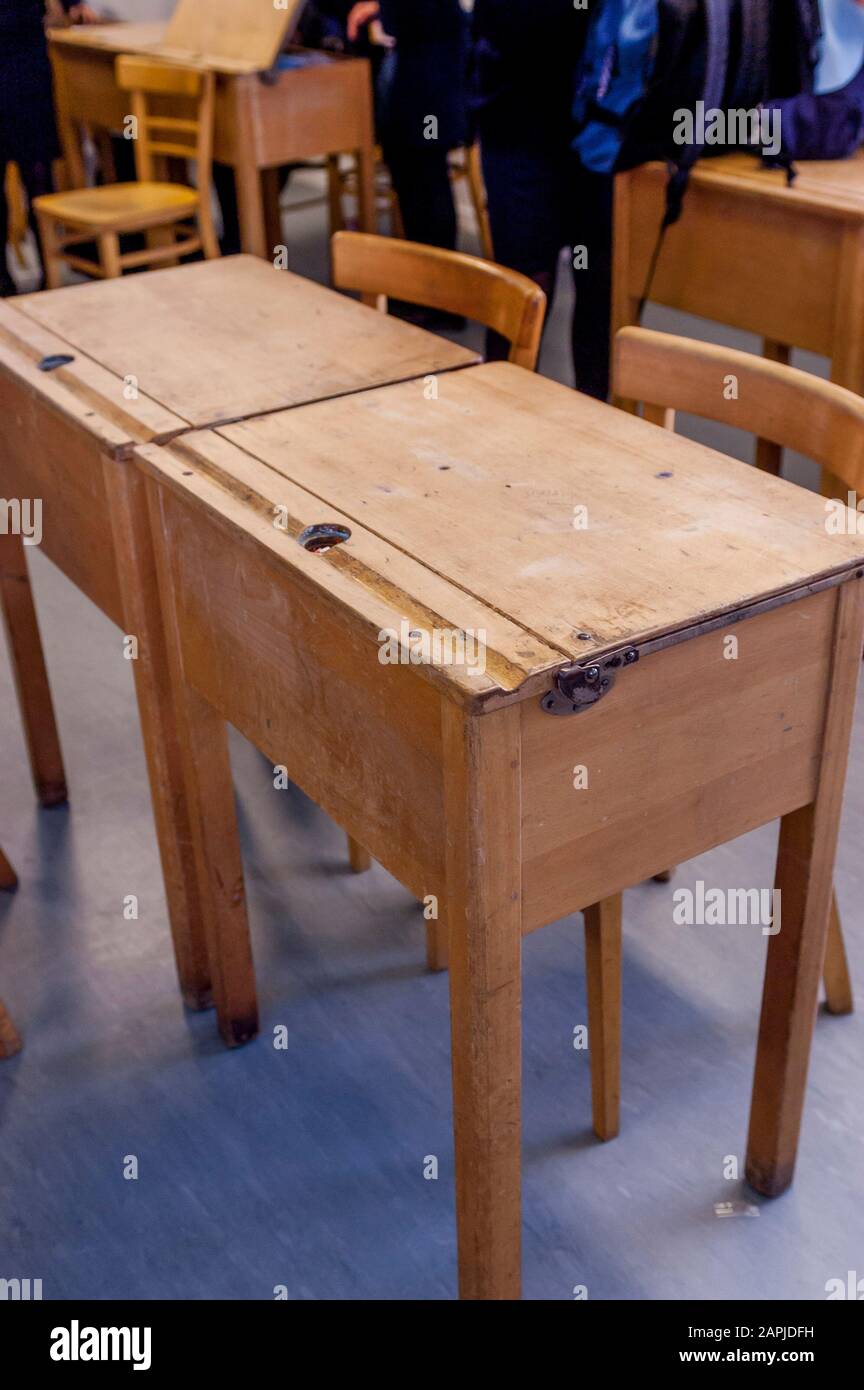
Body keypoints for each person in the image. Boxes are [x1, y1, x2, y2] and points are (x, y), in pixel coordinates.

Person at [470, 1, 611, 398]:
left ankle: (600, 430)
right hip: (519, 117)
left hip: (602, 124)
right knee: (524, 287)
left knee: (600, 289)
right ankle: (500, 420)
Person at [347, 0, 469, 254]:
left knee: (425, 177)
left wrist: (381, 8)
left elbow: (412, 16)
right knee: (413, 175)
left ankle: (436, 276)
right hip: (413, 64)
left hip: (429, 68)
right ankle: (424, 273)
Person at [0, 1, 98, 295]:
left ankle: (51, 270)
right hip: (23, 51)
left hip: (26, 57)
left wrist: (74, 4)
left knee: (39, 175)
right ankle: (3, 277)